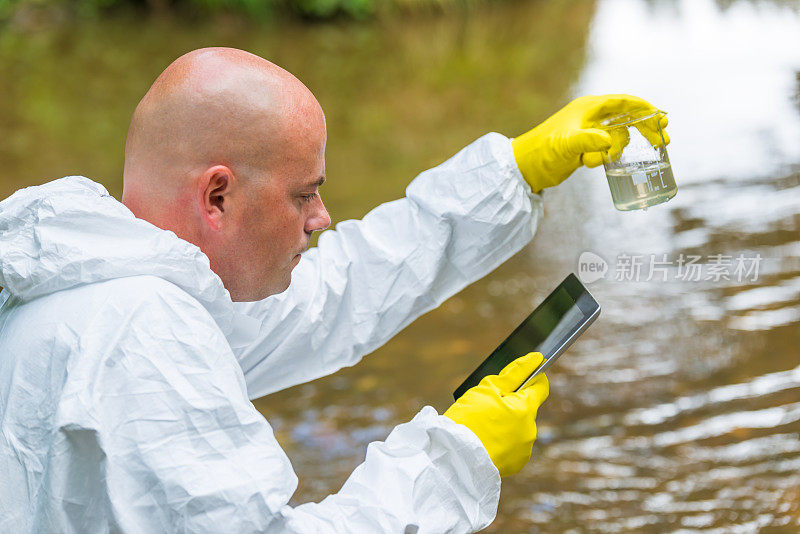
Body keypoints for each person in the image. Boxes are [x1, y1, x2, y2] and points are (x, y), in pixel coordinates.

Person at [0, 47, 666, 533]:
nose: (322, 217)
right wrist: (456, 459)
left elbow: (328, 301)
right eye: (304, 194)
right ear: (218, 195)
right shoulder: (143, 334)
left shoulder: (85, 285)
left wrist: (514, 172)